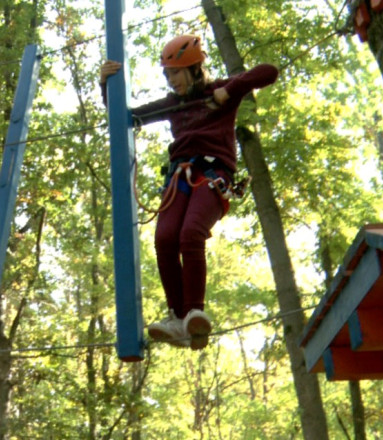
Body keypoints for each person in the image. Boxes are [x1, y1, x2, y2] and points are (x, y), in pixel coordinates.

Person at [99, 34, 278, 349]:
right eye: (168, 75)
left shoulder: (217, 92)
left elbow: (268, 71)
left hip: (213, 174)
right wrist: (105, 85)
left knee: (191, 232)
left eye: (176, 73)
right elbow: (126, 119)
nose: (172, 81)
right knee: (165, 238)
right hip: (180, 176)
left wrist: (229, 91)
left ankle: (194, 313)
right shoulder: (173, 104)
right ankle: (177, 318)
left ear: (195, 68)